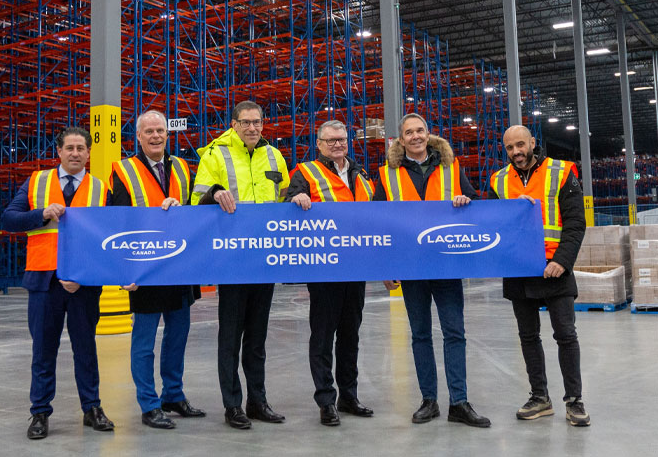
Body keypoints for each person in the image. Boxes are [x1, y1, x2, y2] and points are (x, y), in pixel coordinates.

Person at [373, 113, 490, 428]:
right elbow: (379, 224)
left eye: (420, 130)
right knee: (420, 335)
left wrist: (465, 200)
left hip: (446, 264)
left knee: (455, 333)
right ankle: (429, 401)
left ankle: (459, 402)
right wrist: (386, 266)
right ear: (401, 139)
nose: (415, 136)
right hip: (411, 267)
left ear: (428, 134)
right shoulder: (387, 175)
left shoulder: (451, 167)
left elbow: (474, 205)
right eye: (409, 132)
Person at [2, 127, 114, 440]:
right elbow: (9, 219)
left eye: (81, 148)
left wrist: (86, 276)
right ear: (59, 151)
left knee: (86, 349)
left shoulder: (100, 189)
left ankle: (92, 408)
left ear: (89, 153)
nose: (75, 153)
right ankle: (39, 412)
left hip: (83, 284)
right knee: (43, 350)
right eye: (70, 148)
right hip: (44, 281)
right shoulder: (36, 182)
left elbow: (107, 239)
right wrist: (41, 214)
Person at [191, 100, 289, 429]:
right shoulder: (214, 154)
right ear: (233, 124)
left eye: (257, 122)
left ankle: (257, 401)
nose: (252, 127)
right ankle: (232, 405)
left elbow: (283, 199)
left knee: (257, 338)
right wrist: (215, 192)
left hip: (264, 258)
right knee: (231, 337)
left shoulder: (274, 156)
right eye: (245, 122)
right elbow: (197, 198)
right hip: (232, 259)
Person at [489, 125, 589, 427]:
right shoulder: (498, 180)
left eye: (520, 145)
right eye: (510, 148)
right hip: (519, 270)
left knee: (566, 335)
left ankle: (575, 400)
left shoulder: (561, 172)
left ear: (532, 143)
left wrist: (562, 261)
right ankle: (539, 397)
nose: (516, 152)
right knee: (528, 336)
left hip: (554, 268)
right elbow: (491, 223)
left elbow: (575, 222)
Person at [110, 110, 203, 430]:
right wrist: (127, 271)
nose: (155, 136)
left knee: (178, 336)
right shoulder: (123, 170)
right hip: (146, 269)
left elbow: (195, 210)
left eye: (160, 130)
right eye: (148, 131)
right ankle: (149, 404)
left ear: (167, 133)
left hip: (179, 266)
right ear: (138, 136)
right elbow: (118, 222)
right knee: (144, 342)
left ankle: (173, 395)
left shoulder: (183, 167)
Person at [286, 120, 374, 427]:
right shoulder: (305, 173)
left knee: (350, 335)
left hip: (356, 266)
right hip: (324, 270)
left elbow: (377, 217)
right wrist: (296, 199)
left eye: (342, 139)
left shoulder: (361, 174)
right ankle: (326, 400)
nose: (337, 144)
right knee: (323, 336)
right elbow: (288, 203)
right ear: (319, 144)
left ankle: (349, 396)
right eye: (331, 140)